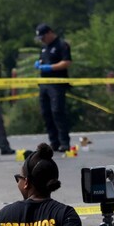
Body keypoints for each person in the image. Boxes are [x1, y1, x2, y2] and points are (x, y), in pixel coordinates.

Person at [34, 24, 73, 153]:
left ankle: (64, 142)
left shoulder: (62, 45)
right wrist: (39, 64)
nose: (42, 40)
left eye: (43, 37)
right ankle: (54, 142)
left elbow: (67, 62)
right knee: (46, 113)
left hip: (57, 84)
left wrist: (51, 67)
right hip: (44, 84)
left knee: (57, 112)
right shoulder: (44, 48)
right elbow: (41, 61)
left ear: (50, 32)